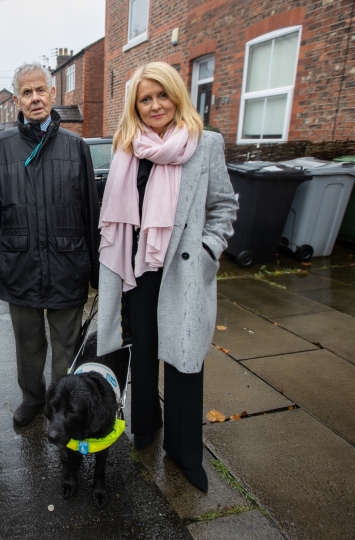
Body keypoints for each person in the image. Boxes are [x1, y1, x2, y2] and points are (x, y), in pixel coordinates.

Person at [96, 62, 238, 492]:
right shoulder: (127, 147)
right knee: (142, 352)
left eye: (163, 95)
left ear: (177, 95)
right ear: (134, 107)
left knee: (183, 362)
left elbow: (224, 208)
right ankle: (145, 426)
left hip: (182, 269)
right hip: (138, 271)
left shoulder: (205, 144)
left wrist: (209, 251)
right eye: (145, 98)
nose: (155, 105)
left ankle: (185, 451)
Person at [0, 62, 100, 427]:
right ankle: (32, 399)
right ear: (17, 100)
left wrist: (95, 267)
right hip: (20, 265)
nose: (35, 98)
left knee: (66, 348)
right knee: (28, 346)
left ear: (53, 94)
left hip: (68, 264)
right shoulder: (1, 147)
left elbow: (89, 212)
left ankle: (60, 408)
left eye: (41, 90)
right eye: (27, 92)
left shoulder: (76, 146)